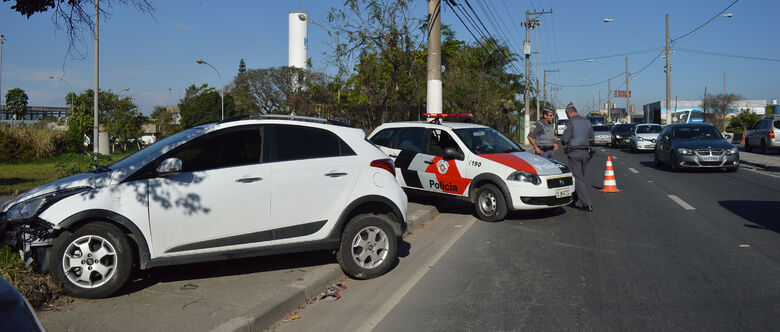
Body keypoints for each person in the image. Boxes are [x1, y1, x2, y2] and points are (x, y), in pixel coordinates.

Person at [561, 103, 595, 212]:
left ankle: (587, 204)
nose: (567, 116)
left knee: (578, 178)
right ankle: (574, 198)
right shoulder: (587, 121)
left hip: (574, 153)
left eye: (567, 114)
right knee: (580, 177)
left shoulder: (571, 122)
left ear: (570, 113)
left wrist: (570, 141)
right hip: (586, 153)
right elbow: (592, 138)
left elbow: (565, 140)